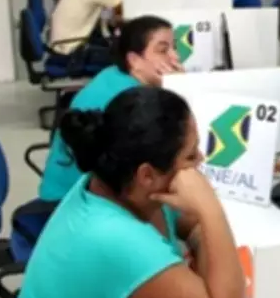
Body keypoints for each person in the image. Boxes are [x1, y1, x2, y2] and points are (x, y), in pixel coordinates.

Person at [14, 87, 247, 298]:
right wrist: (210, 209)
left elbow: (191, 224)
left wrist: (201, 235)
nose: (200, 160)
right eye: (190, 156)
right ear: (147, 175)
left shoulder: (120, 183)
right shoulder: (118, 241)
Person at [39, 16, 183, 201]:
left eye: (174, 48)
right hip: (71, 199)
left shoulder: (114, 74)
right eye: (163, 50)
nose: (175, 57)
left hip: (76, 191)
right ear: (134, 60)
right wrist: (181, 89)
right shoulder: (132, 100)